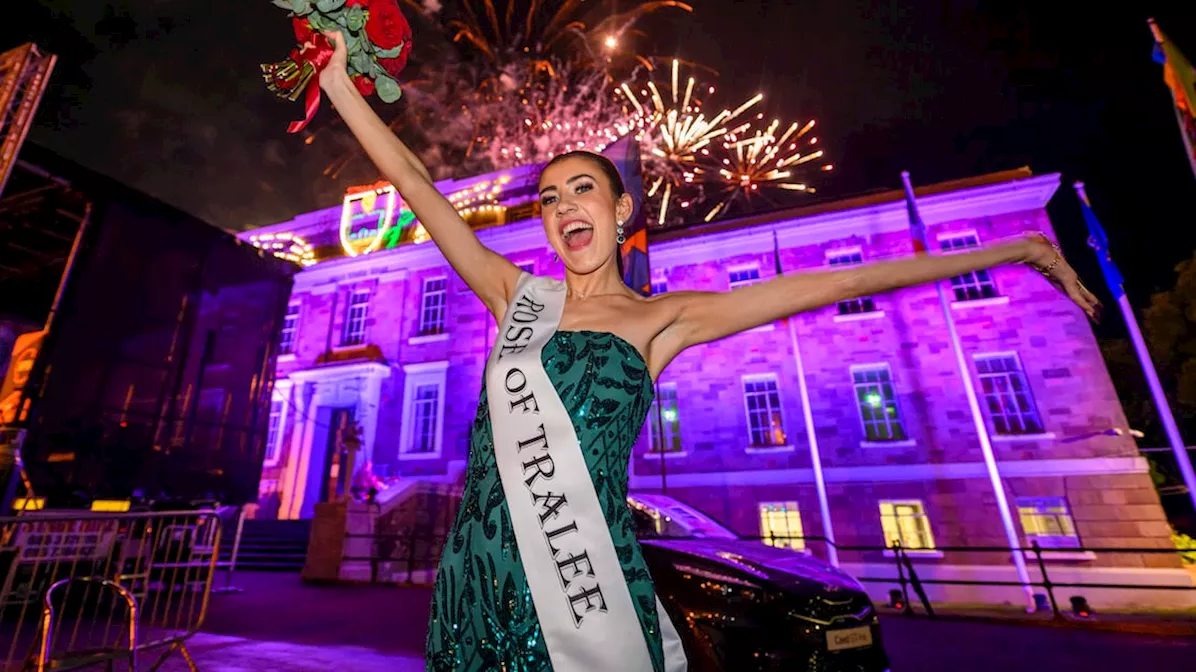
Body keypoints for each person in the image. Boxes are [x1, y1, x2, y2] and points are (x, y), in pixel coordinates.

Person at [315, 31, 1099, 672]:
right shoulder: (516, 297)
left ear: (621, 210)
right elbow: (416, 183)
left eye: (581, 189)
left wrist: (1016, 251)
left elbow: (844, 279)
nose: (561, 208)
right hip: (477, 576)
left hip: (584, 590)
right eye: (549, 198)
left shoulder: (667, 318)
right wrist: (341, 83)